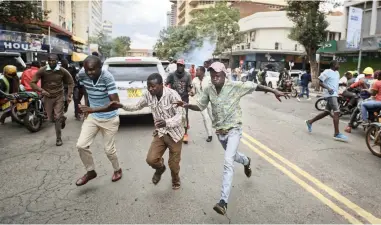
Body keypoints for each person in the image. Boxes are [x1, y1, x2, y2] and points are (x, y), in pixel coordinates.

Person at [173, 62, 288, 215]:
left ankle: (223, 202)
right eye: (213, 75)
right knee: (234, 156)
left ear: (224, 75)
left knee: (228, 161)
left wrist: (274, 91)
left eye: (218, 74)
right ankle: (247, 161)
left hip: (234, 129)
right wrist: (186, 105)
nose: (215, 77)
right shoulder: (208, 89)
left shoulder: (234, 85)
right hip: (220, 132)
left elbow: (255, 86)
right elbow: (200, 106)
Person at [109, 73, 184, 190]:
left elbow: (180, 116)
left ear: (161, 85)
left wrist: (166, 122)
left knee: (174, 165)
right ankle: (160, 168)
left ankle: (176, 180)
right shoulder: (148, 95)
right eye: (148, 86)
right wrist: (121, 105)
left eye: (153, 86)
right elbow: (136, 106)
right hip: (161, 133)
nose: (150, 89)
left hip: (175, 135)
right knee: (151, 160)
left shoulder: (172, 95)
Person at [75, 55, 122, 186]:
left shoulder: (107, 77)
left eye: (92, 70)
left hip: (110, 119)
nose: (89, 73)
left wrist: (91, 109)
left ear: (100, 67)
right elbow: (81, 87)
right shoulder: (82, 73)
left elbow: (115, 103)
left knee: (109, 150)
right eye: (87, 69)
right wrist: (81, 103)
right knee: (81, 145)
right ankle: (90, 172)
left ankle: (118, 170)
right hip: (93, 118)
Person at [30, 54, 74, 146]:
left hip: (59, 96)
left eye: (53, 60)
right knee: (51, 119)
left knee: (57, 117)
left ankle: (58, 138)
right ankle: (63, 118)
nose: (51, 62)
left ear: (57, 61)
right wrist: (41, 91)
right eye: (49, 60)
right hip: (47, 96)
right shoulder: (43, 70)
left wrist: (69, 95)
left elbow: (70, 82)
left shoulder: (62, 71)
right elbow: (32, 83)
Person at [305, 60, 348, 142]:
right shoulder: (327, 72)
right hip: (330, 94)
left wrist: (342, 85)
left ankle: (310, 122)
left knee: (327, 112)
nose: (339, 66)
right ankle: (337, 133)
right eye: (338, 64)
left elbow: (334, 83)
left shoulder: (337, 73)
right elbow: (320, 82)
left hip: (334, 94)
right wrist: (328, 88)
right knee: (337, 112)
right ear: (333, 65)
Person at [166, 58, 192, 144]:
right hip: (174, 99)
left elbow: (189, 86)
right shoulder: (172, 75)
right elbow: (165, 83)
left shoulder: (188, 75)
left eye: (181, 65)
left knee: (184, 116)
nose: (179, 67)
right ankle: (174, 133)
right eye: (178, 65)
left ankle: (185, 134)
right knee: (174, 116)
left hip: (184, 98)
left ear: (184, 66)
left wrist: (190, 90)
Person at [189, 66, 213, 142]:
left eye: (198, 70)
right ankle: (210, 135)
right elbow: (194, 91)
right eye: (196, 70)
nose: (196, 72)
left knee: (212, 117)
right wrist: (191, 92)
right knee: (206, 118)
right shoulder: (194, 80)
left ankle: (219, 130)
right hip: (201, 102)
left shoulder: (209, 79)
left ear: (203, 72)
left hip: (210, 101)